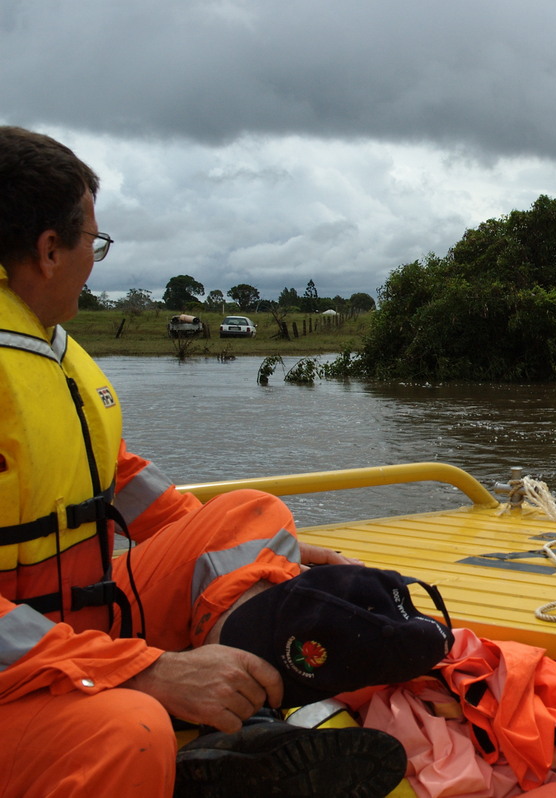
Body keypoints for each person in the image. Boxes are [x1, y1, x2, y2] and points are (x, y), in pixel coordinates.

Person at [0, 126, 406, 797]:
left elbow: (122, 481)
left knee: (248, 514)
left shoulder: (44, 348)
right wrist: (142, 671)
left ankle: (248, 722)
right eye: (94, 243)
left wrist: (282, 550)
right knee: (129, 729)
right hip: (28, 663)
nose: (95, 260)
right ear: (49, 250)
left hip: (70, 630)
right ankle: (190, 734)